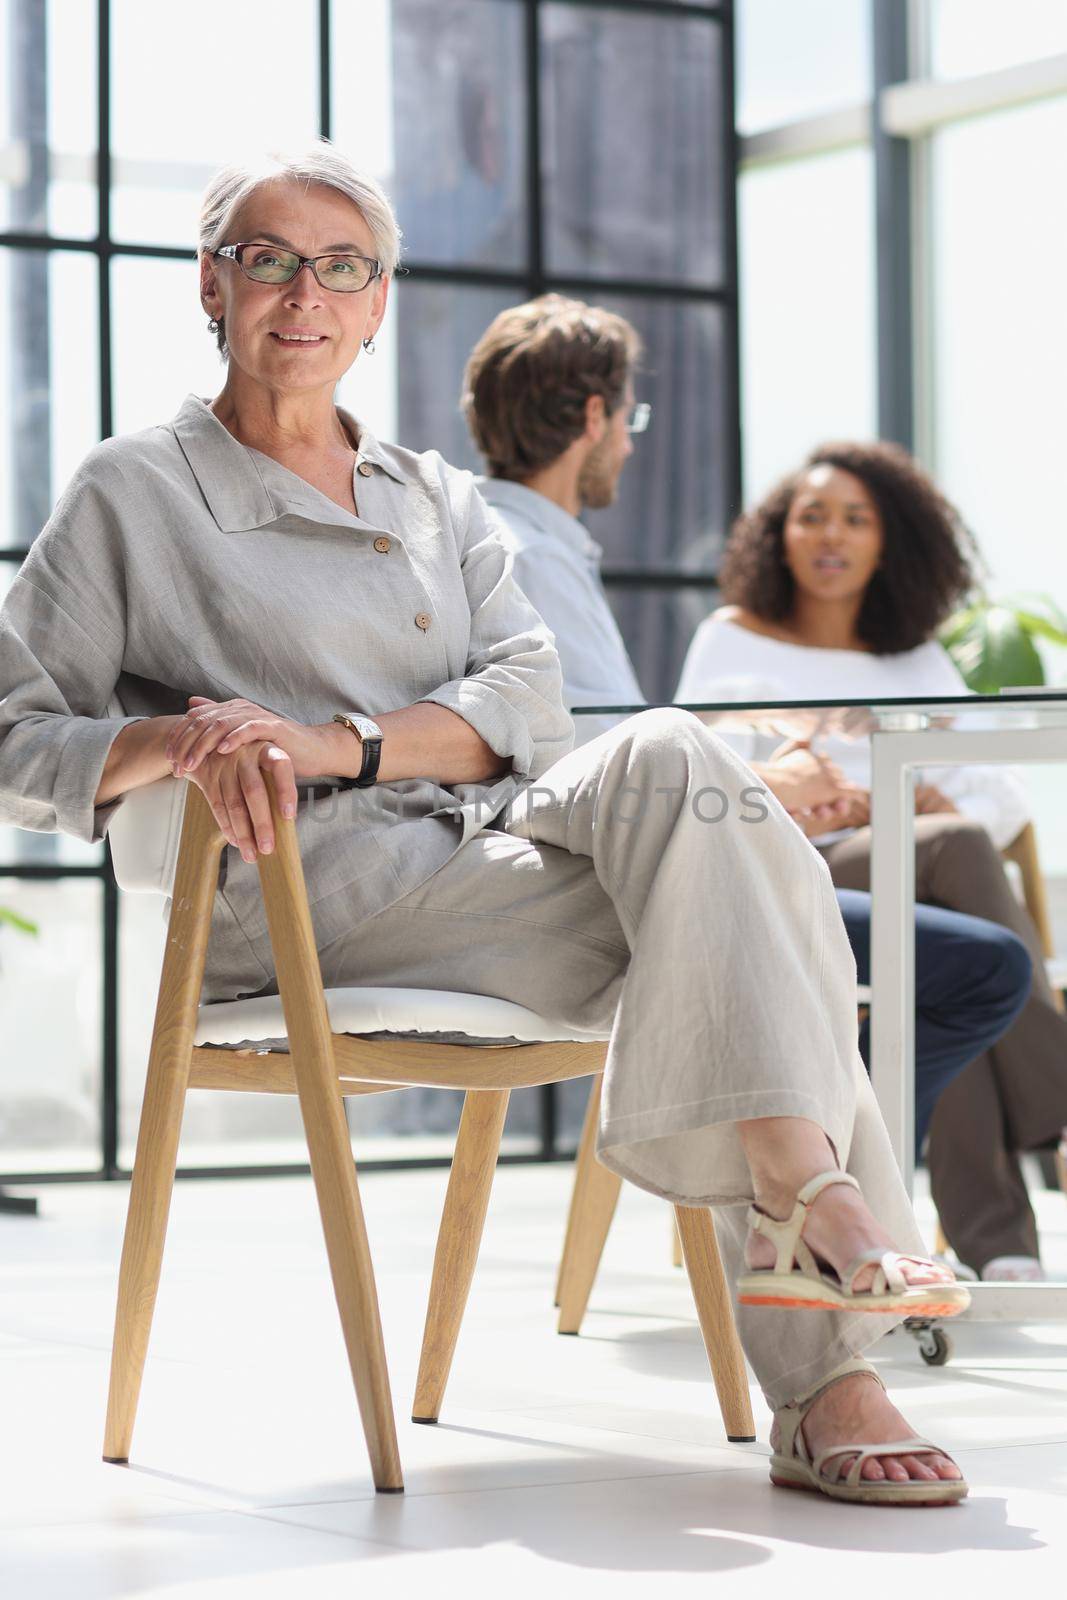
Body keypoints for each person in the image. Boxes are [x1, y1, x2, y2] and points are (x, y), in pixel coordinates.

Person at [0, 144, 968, 1505]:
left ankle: (812, 1226)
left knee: (684, 761)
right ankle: (828, 1348)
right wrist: (176, 739)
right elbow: (11, 736)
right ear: (210, 286)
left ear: (380, 301)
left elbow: (532, 695)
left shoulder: (431, 492)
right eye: (269, 259)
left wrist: (342, 739)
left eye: (343, 266)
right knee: (766, 899)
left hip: (483, 846)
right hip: (300, 894)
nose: (304, 293)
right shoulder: (134, 493)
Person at [463, 293, 1031, 1194]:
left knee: (964, 941)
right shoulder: (527, 559)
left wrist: (771, 783)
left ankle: (834, 1201)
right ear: (594, 417)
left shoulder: (519, 546)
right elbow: (602, 767)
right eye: (630, 419)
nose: (632, 444)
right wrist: (773, 787)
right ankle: (823, 1202)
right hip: (640, 888)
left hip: (666, 859)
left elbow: (595, 751)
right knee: (980, 968)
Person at [678, 442, 1067, 1281]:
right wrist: (839, 799)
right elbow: (700, 774)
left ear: (889, 542)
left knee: (943, 950)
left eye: (856, 520)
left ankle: (1001, 1252)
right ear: (777, 535)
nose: (831, 535)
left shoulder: (915, 659)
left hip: (908, 883)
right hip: (790, 873)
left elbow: (997, 793)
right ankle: (1054, 1102)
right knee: (951, 866)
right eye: (811, 515)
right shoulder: (730, 641)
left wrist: (939, 805)